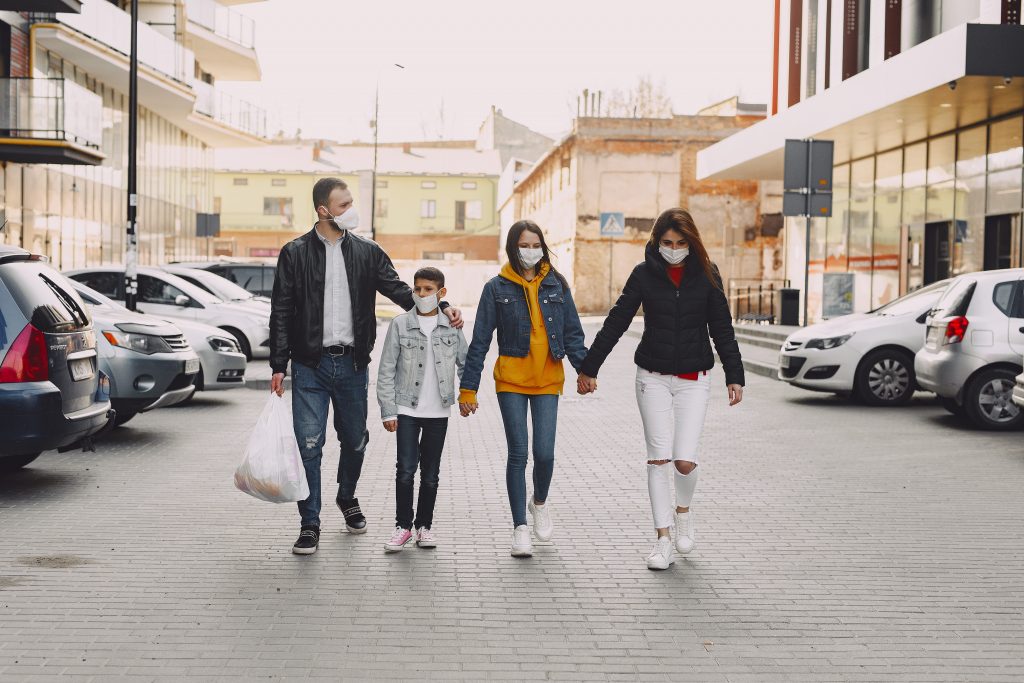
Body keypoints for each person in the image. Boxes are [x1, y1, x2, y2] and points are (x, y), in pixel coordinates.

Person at [270, 177, 462, 556]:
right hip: (309, 366)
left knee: (355, 440)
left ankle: (346, 495)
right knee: (310, 445)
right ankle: (310, 523)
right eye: (344, 205)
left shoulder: (367, 252)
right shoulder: (294, 253)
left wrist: (441, 307)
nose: (351, 210)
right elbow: (281, 310)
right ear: (323, 210)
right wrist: (278, 363)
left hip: (353, 365)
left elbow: (401, 291)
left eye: (351, 202)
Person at [577, 208, 744, 571]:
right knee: (658, 458)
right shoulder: (644, 274)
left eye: (681, 243)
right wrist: (589, 368)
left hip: (694, 379)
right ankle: (663, 540)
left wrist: (735, 374)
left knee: (684, 460)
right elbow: (617, 319)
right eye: (667, 242)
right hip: (651, 376)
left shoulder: (707, 274)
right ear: (656, 242)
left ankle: (683, 513)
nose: (674, 249)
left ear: (692, 242)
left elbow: (722, 328)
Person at [459, 220, 587, 558]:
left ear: (543, 247)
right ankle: (519, 529)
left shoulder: (557, 284)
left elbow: (573, 332)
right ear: (513, 248)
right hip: (511, 379)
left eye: (536, 245)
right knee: (519, 453)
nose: (530, 251)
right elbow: (481, 341)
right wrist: (468, 388)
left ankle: (539, 502)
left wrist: (585, 370)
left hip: (548, 378)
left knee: (544, 453)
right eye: (524, 245)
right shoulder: (495, 287)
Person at [376, 267, 468, 552]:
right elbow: (386, 369)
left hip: (438, 412)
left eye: (428, 289)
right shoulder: (401, 324)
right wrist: (388, 410)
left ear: (441, 293)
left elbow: (466, 364)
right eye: (417, 289)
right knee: (405, 470)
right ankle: (403, 526)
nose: (421, 294)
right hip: (406, 409)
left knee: (430, 473)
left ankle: (423, 527)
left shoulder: (451, 326)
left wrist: (468, 394)